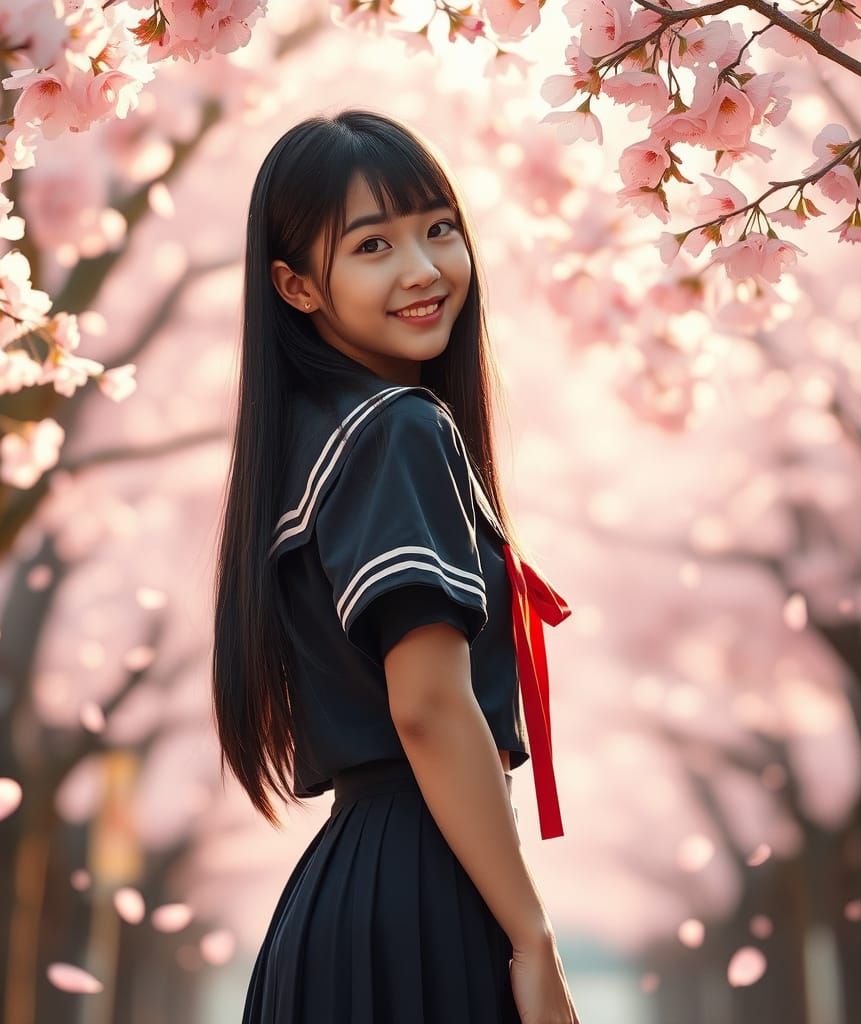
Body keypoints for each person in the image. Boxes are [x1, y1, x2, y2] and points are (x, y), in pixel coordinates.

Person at [211, 107, 581, 1024]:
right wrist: (534, 941)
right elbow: (426, 706)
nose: (424, 271)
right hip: (421, 893)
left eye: (438, 229)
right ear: (297, 287)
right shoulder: (397, 431)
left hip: (347, 894)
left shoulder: (311, 442)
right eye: (373, 246)